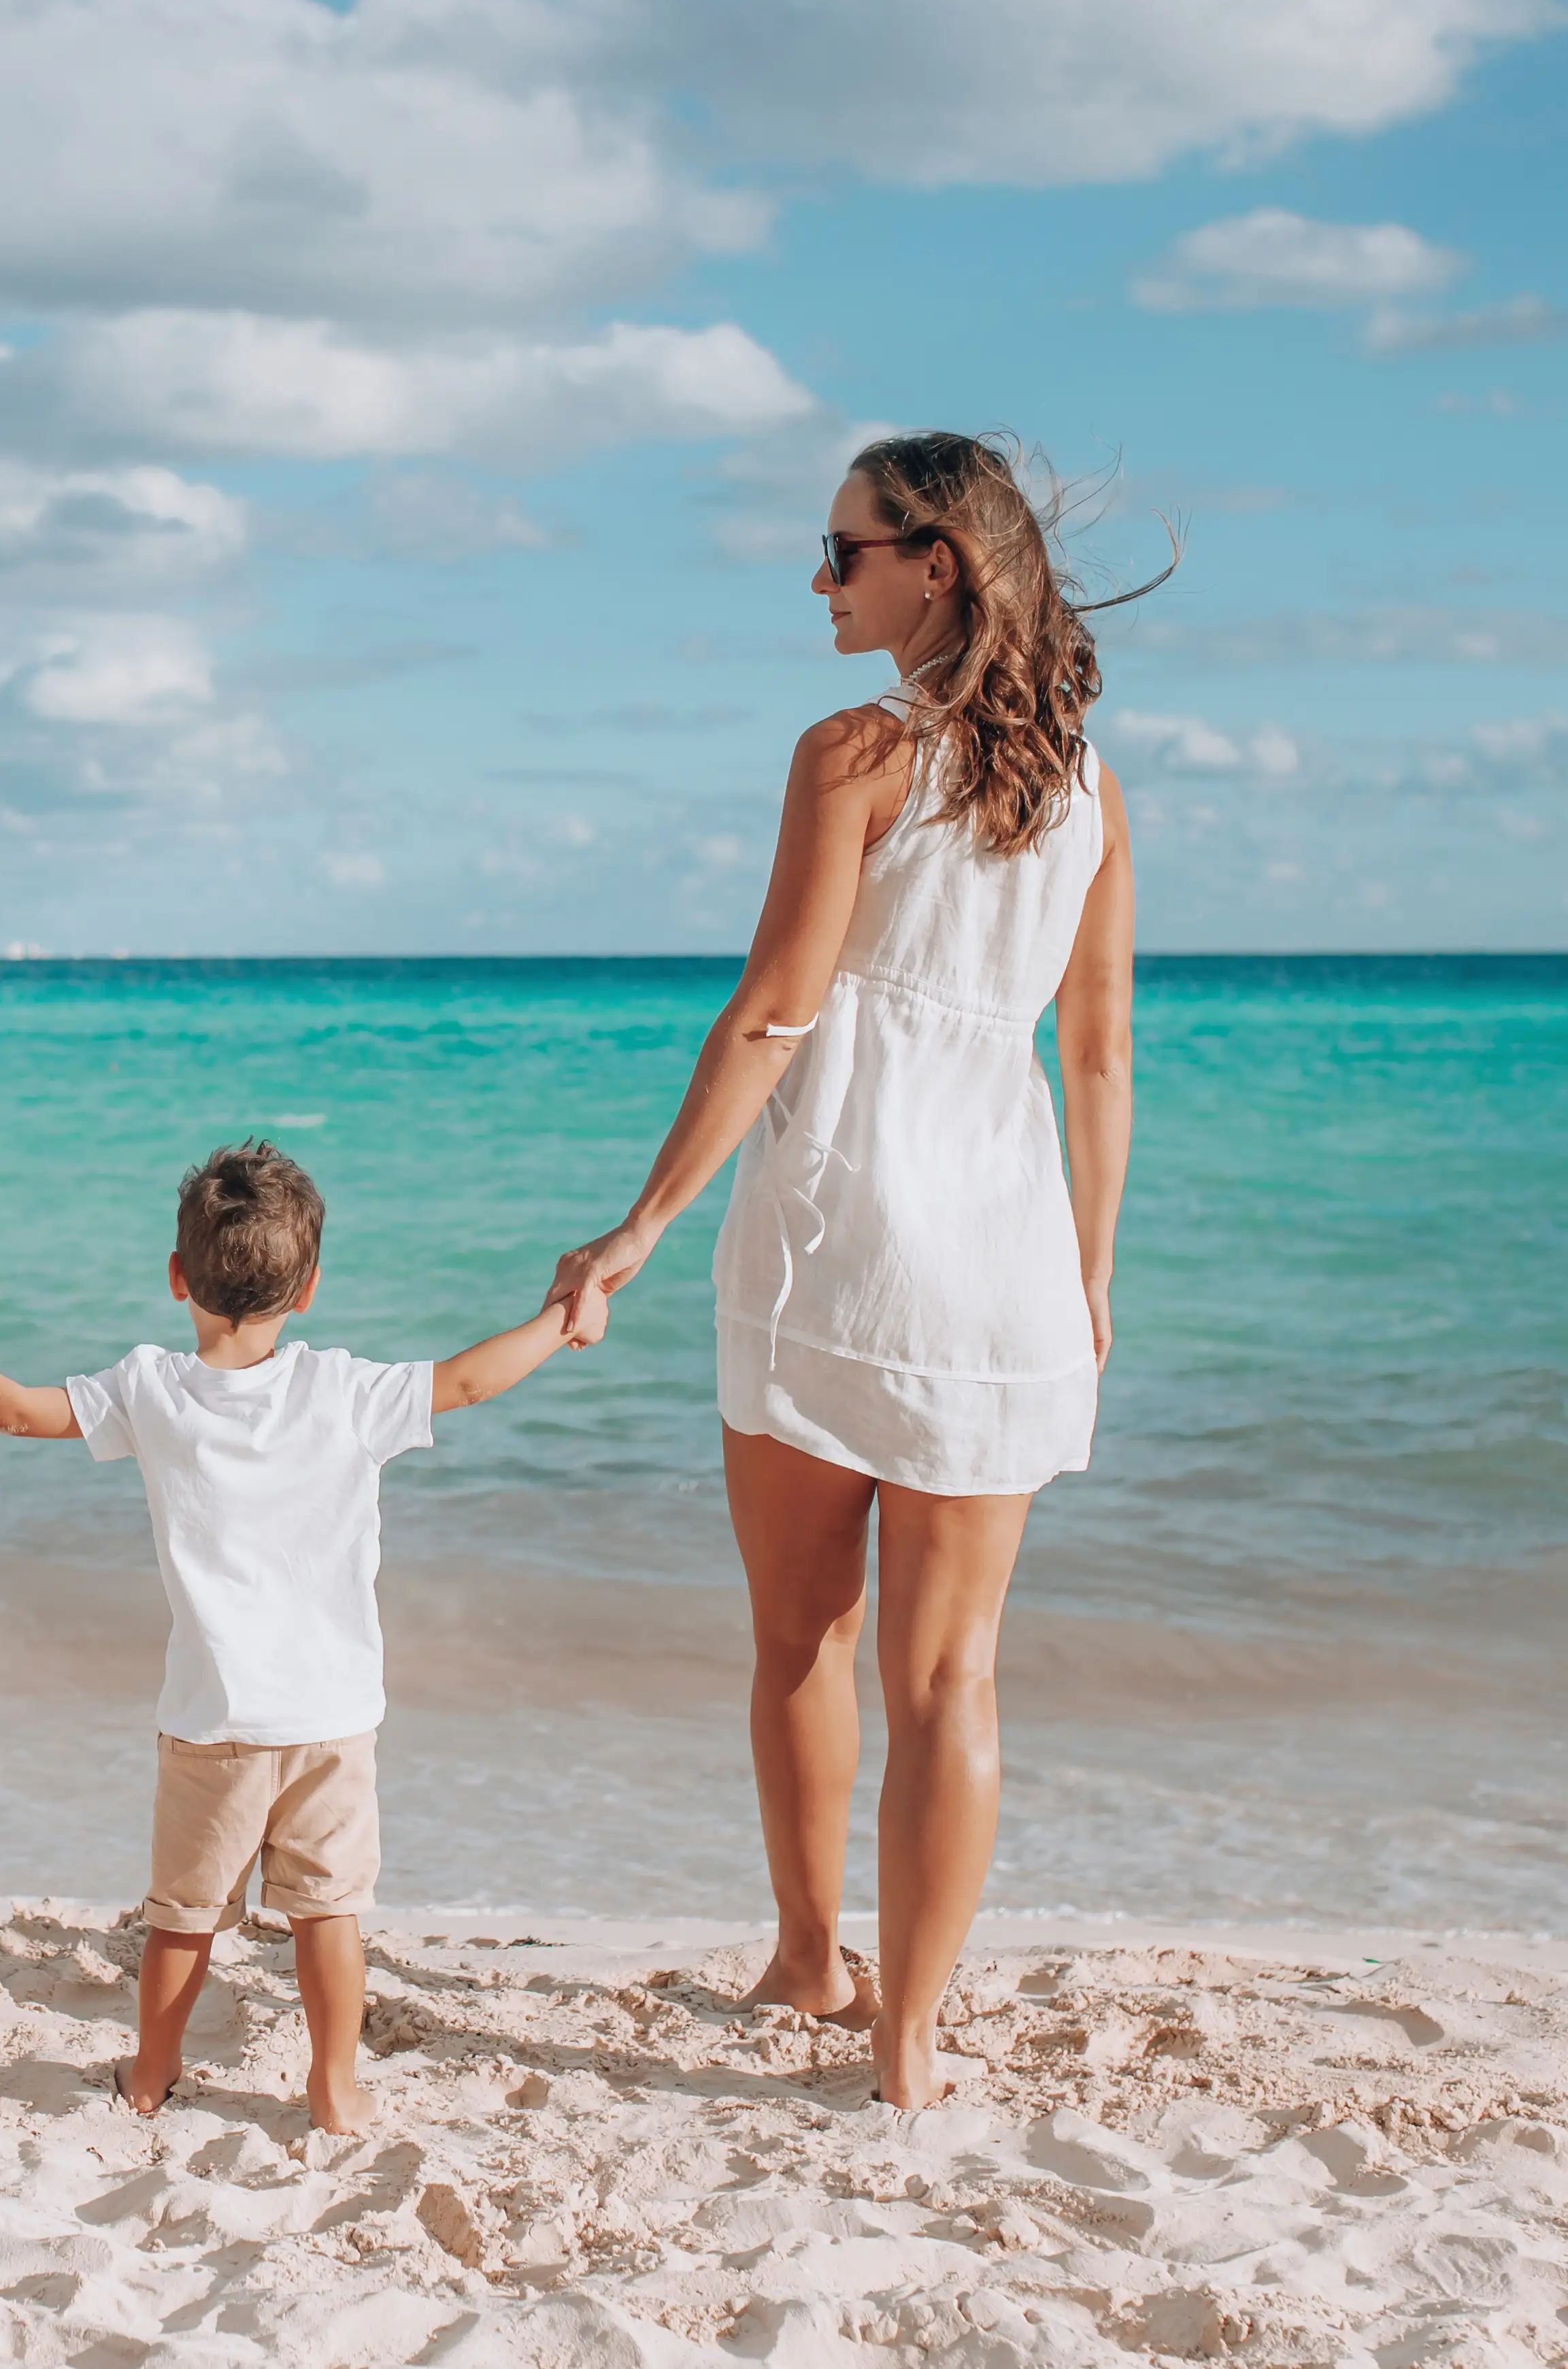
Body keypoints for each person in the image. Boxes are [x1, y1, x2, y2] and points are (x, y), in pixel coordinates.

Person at [544, 432, 1149, 2111]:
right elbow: (1094, 1056)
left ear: (932, 563)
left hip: (836, 1234)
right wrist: (1088, 1273)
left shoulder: (850, 753)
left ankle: (812, 1959)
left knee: (801, 1637)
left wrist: (639, 1227)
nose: (819, 581)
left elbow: (771, 1015)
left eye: (840, 551)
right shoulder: (1084, 788)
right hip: (1006, 1256)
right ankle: (905, 2043)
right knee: (951, 1675)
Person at [0, 1142, 603, 2134]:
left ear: (178, 1279)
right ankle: (334, 2086)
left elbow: (15, 1412)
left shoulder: (152, 1389)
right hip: (334, 1717)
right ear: (312, 1286)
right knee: (329, 1912)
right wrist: (561, 1319)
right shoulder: (345, 1390)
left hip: (214, 1720)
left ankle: (152, 2076)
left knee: (182, 1917)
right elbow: (468, 1381)